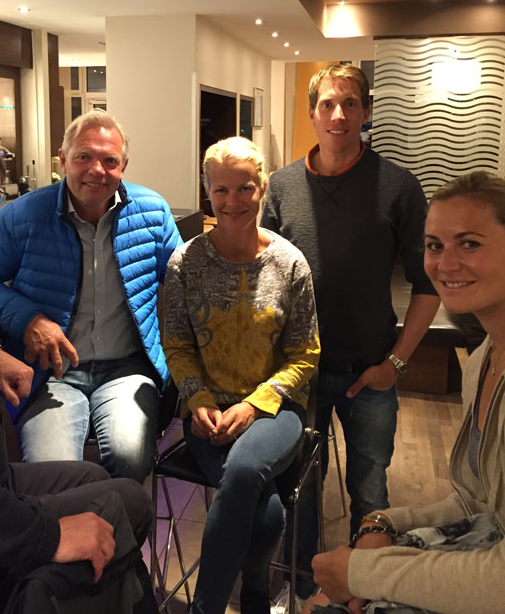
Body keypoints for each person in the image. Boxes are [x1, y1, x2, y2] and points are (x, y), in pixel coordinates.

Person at [0, 127, 157, 614]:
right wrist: (47, 536)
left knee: (112, 477)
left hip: (109, 380)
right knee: (122, 506)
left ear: (124, 166)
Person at [260, 64, 440, 609]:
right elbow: (264, 275)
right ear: (312, 113)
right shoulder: (282, 186)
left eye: (350, 104)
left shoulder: (398, 187)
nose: (339, 114)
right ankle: (300, 582)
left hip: (370, 369)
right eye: (328, 104)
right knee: (300, 486)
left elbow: (428, 283)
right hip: (300, 372)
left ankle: (367, 590)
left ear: (366, 113)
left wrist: (396, 365)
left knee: (370, 489)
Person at [310, 170, 505, 614]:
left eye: (469, 243)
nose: (445, 264)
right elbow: (476, 501)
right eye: (434, 245)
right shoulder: (482, 363)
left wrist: (365, 572)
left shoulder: (393, 185)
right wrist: (385, 521)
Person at [0, 109, 182, 482]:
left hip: (127, 369)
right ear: (63, 159)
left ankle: (111, 522)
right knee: (52, 474)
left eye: (109, 160)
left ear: (124, 166)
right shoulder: (22, 215)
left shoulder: (152, 210)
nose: (96, 170)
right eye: (84, 156)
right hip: (50, 374)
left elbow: (185, 280)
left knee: (131, 458)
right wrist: (28, 320)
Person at [163, 137, 320, 614]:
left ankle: (205, 607)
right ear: (208, 192)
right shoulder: (185, 262)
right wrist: (198, 400)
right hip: (207, 412)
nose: (232, 201)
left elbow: (305, 353)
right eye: (221, 190)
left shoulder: (290, 263)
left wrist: (254, 405)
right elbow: (178, 344)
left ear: (263, 188)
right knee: (267, 513)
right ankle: (255, 592)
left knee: (248, 469)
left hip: (276, 410)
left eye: (244, 188)